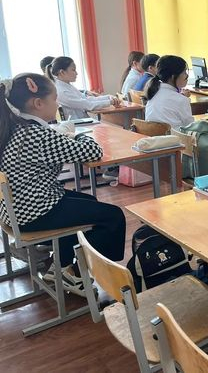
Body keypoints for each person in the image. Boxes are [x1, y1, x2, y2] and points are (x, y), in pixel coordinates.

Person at [0, 73, 126, 295]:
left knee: (89, 201)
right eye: (54, 99)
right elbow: (93, 151)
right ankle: (74, 272)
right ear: (38, 103)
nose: (57, 104)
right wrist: (79, 137)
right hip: (34, 213)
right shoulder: (37, 134)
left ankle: (61, 264)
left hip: (14, 210)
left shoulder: (16, 128)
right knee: (114, 217)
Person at [47, 56, 119, 120]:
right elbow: (88, 105)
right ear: (62, 72)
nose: (76, 73)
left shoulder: (67, 86)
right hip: (77, 126)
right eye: (73, 70)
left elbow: (86, 99)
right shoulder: (61, 91)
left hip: (82, 122)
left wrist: (107, 97)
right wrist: (110, 102)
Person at [145, 55, 194, 130]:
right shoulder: (181, 100)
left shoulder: (153, 93)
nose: (187, 76)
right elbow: (191, 127)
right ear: (173, 77)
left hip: (153, 137)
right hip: (176, 137)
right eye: (184, 72)